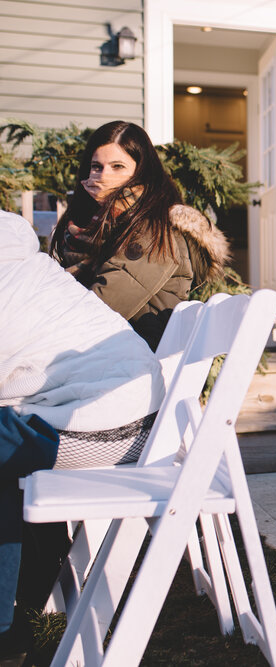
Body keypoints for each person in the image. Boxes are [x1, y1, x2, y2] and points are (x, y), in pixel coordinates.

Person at [1, 209, 166, 659]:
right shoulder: (20, 263)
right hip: (111, 412)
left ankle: (4, 630)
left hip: (107, 426)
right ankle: (6, 627)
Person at [50, 120, 229, 350]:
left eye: (117, 166)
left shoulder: (157, 230)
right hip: (100, 352)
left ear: (141, 172)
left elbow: (102, 308)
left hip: (134, 360)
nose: (104, 176)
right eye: (97, 167)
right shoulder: (91, 227)